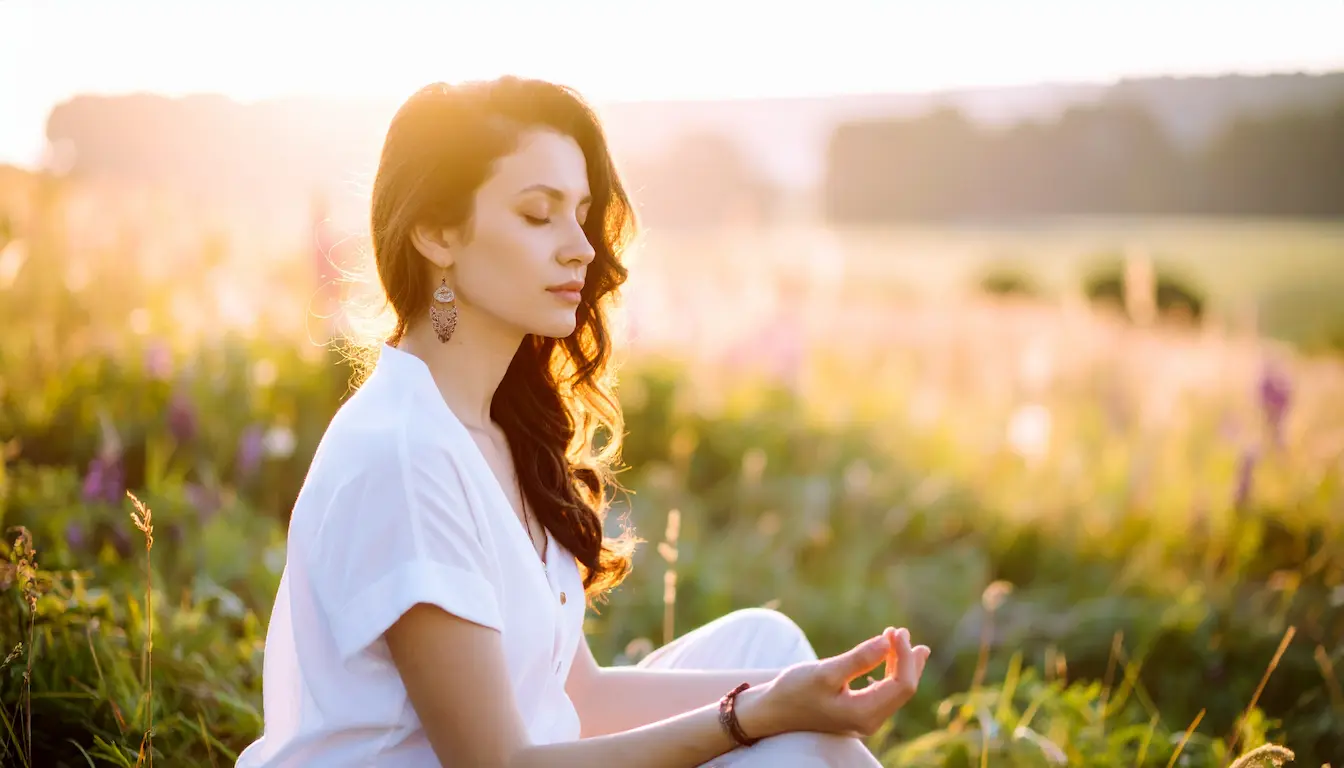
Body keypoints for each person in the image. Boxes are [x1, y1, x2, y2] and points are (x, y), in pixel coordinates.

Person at [236, 77, 931, 768]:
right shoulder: (403, 454)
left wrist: (793, 694)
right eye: (539, 216)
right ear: (435, 232)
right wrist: (752, 717)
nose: (582, 248)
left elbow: (579, 699)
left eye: (581, 214)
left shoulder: (498, 430)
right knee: (787, 733)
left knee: (767, 650)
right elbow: (498, 764)